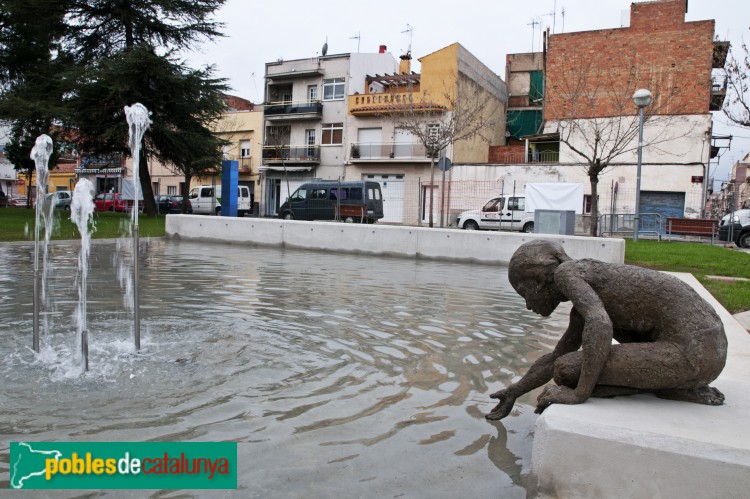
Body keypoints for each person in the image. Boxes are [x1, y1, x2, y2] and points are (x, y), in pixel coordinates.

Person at [486, 239, 727, 420]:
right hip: (708, 353)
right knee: (566, 365)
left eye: (525, 294)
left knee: (567, 371)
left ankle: (677, 382)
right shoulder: (586, 290)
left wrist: (580, 393)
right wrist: (513, 392)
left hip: (694, 354)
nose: (528, 305)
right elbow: (554, 356)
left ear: (540, 281)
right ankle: (673, 385)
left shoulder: (567, 274)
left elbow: (600, 324)